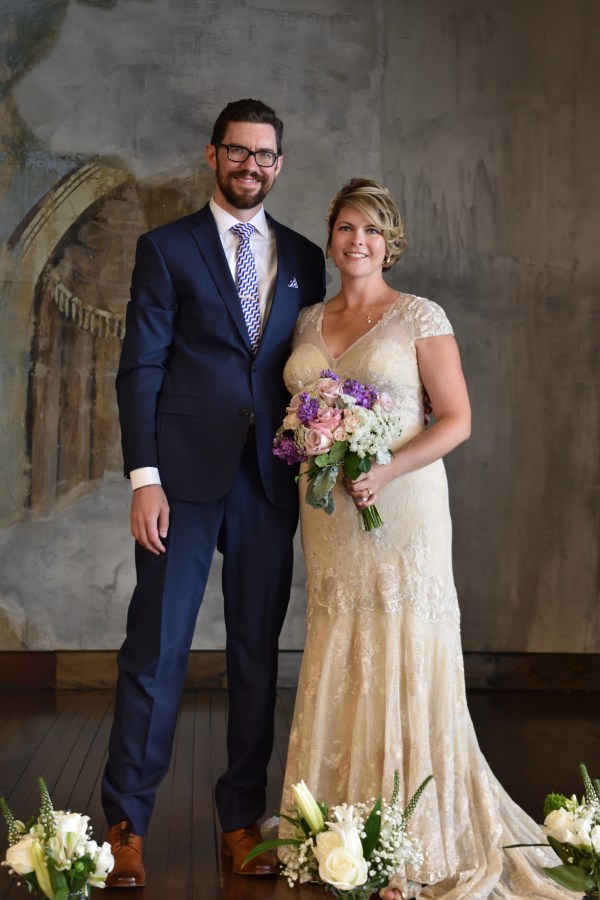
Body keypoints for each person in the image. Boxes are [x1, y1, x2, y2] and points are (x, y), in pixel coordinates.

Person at [280, 179, 572, 898]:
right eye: (347, 227)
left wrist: (385, 466)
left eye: (372, 230)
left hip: (401, 507)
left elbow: (457, 419)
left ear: (390, 243)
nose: (358, 241)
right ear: (331, 236)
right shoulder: (308, 318)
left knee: (403, 642)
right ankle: (340, 832)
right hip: (328, 516)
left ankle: (411, 835)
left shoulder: (418, 315)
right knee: (340, 639)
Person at [102, 98, 326, 886]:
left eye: (264, 155)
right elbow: (140, 369)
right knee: (156, 651)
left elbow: (311, 366)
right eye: (238, 151)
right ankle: (126, 826)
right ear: (213, 155)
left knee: (256, 657)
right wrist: (145, 479)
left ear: (278, 164)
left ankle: (241, 821)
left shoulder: (306, 258)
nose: (250, 166)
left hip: (269, 479)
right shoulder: (166, 249)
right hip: (181, 482)